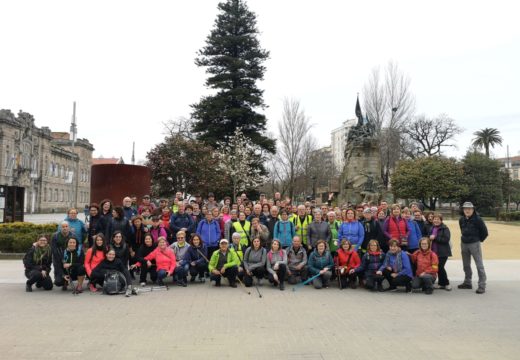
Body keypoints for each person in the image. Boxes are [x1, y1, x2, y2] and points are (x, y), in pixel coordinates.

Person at [458, 202, 488, 294]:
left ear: (473, 209)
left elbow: (485, 232)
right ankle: (467, 282)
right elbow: (462, 230)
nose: (467, 210)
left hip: (474, 244)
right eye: (465, 208)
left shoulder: (478, 219)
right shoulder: (461, 219)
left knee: (479, 265)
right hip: (464, 243)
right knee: (466, 265)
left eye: (469, 209)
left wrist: (478, 240)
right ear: (463, 210)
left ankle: (482, 285)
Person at [429, 213, 452, 290]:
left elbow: (446, 239)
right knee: (437, 267)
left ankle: (447, 283)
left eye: (438, 219)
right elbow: (430, 237)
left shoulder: (445, 228)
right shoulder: (432, 228)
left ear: (441, 220)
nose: (436, 221)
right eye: (435, 219)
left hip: (443, 252)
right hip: (433, 252)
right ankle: (441, 283)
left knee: (440, 267)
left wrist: (435, 238)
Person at [51, 221, 72, 286]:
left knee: (68, 270)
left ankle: (67, 279)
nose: (65, 228)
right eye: (63, 227)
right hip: (58, 257)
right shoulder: (55, 236)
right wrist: (61, 259)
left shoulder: (72, 235)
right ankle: (59, 277)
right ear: (60, 228)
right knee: (58, 282)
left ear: (69, 227)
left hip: (68, 257)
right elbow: (54, 249)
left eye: (66, 226)